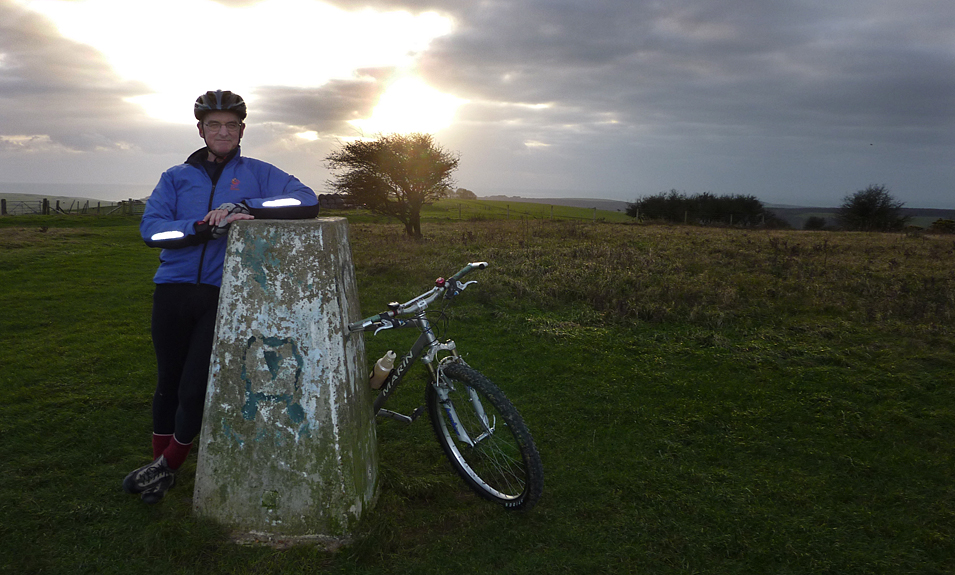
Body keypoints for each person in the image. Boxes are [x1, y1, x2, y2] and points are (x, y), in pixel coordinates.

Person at [123, 90, 320, 503]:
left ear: (242, 130)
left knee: (195, 387)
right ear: (201, 130)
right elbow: (151, 231)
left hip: (220, 294)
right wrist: (200, 228)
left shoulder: (258, 172)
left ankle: (167, 466)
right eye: (214, 124)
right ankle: (162, 467)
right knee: (168, 384)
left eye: (231, 125)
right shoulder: (175, 177)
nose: (223, 131)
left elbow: (306, 200)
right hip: (172, 291)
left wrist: (248, 206)